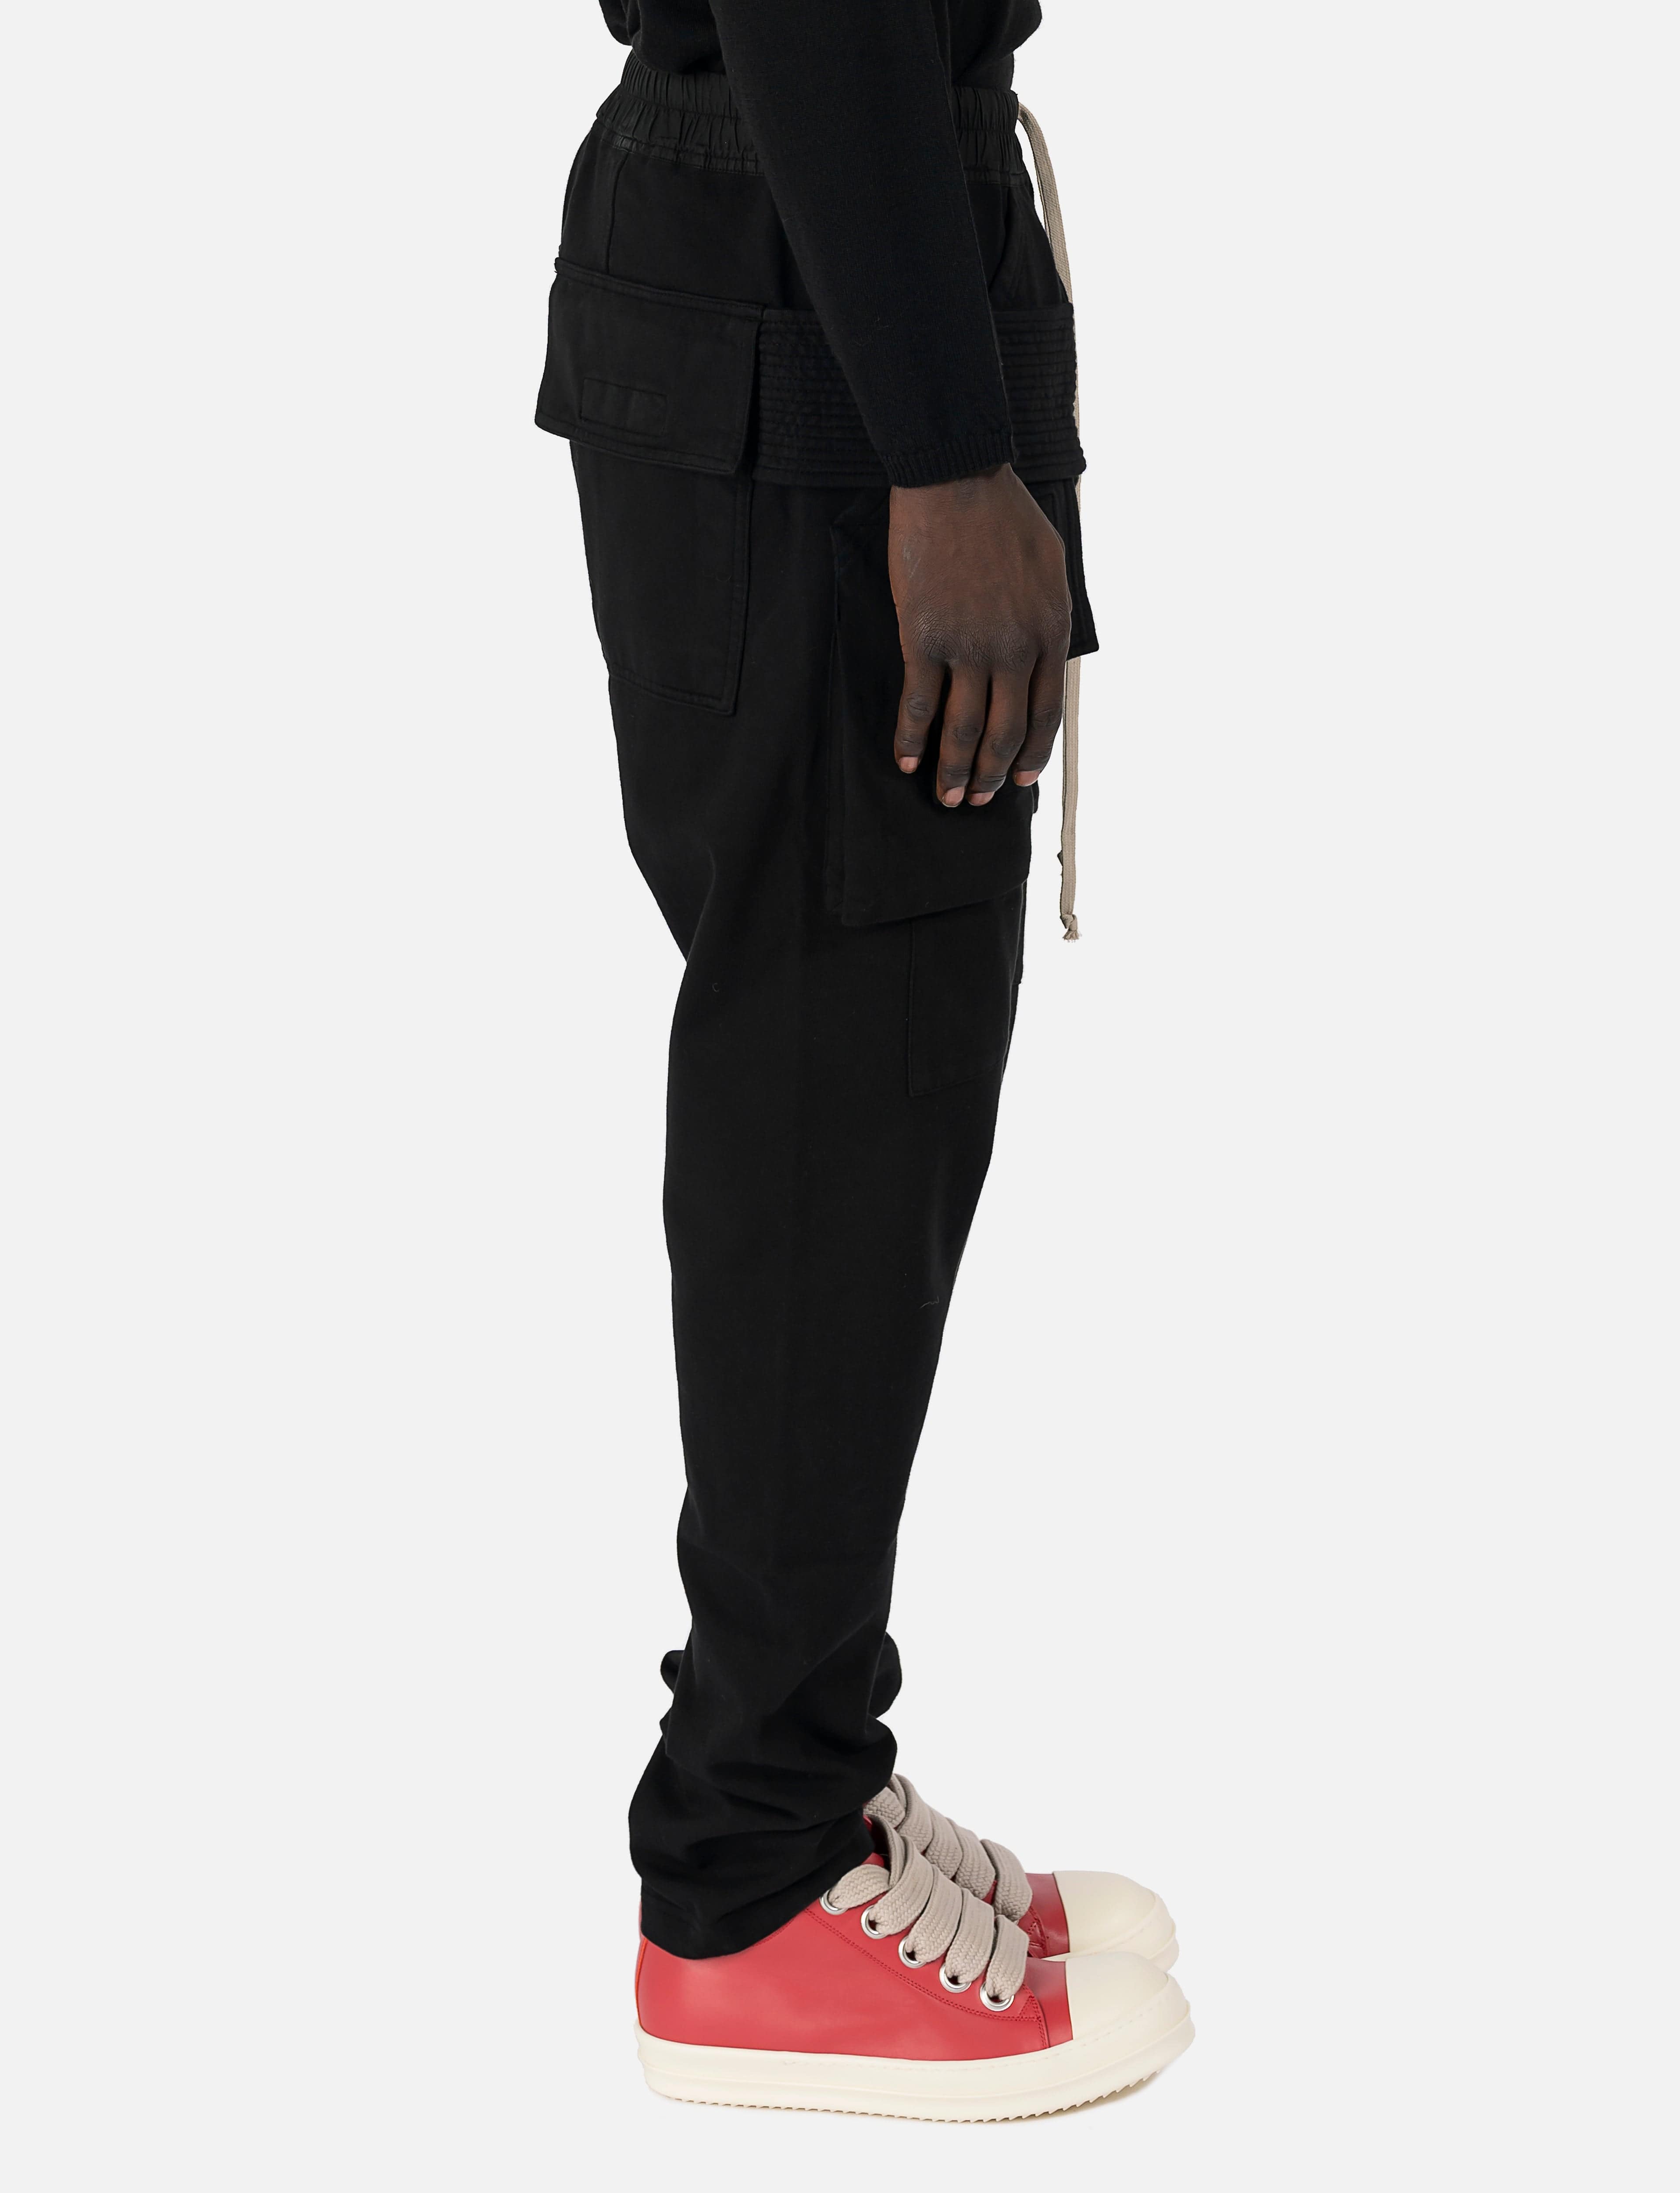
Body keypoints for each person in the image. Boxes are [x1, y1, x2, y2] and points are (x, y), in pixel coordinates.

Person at [538, 1, 1194, 2119]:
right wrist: (941, 446)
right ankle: (747, 1872)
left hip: (818, 232)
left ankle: (801, 1766)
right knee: (833, 1094)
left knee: (860, 1081)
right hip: (816, 276)